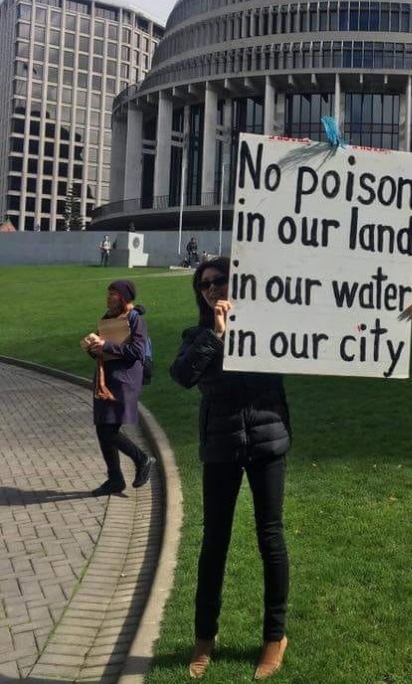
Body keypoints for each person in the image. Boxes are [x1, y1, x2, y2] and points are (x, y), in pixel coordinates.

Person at [169, 257, 292, 681]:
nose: (212, 288)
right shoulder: (198, 335)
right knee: (214, 541)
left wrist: (393, 318)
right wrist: (217, 336)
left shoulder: (272, 323)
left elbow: (330, 332)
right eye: (204, 285)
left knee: (270, 537)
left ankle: (274, 637)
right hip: (221, 446)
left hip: (267, 439)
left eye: (220, 280)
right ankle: (204, 639)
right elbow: (182, 376)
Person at [80, 280, 155, 496]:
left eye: (113, 293)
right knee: (102, 428)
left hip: (123, 381)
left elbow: (137, 352)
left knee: (108, 430)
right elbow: (101, 349)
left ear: (123, 296)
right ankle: (115, 479)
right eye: (108, 293)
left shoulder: (135, 319)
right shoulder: (107, 318)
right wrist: (92, 346)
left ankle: (142, 459)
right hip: (105, 379)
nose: (109, 297)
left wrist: (106, 345)